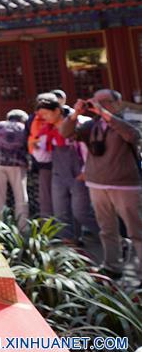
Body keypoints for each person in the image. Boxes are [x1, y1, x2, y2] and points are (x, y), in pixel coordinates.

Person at [60, 89, 142, 283]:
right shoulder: (91, 125)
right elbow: (65, 132)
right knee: (106, 229)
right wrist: (76, 114)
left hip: (124, 184)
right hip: (97, 183)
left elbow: (132, 136)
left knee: (136, 230)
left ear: (117, 103)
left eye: (105, 101)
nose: (99, 104)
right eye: (95, 102)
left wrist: (105, 114)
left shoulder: (127, 120)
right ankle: (112, 266)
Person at [35, 95, 98, 244]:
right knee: (61, 211)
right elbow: (44, 156)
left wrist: (86, 170)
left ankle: (113, 237)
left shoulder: (78, 124)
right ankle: (70, 241)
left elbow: (86, 150)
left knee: (81, 212)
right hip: (58, 172)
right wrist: (37, 147)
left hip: (78, 172)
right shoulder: (47, 130)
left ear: (57, 110)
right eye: (41, 115)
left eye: (46, 114)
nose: (44, 117)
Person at [0, 109, 30, 230]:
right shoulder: (23, 127)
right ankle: (23, 228)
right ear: (23, 119)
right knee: (21, 196)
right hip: (17, 164)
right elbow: (28, 146)